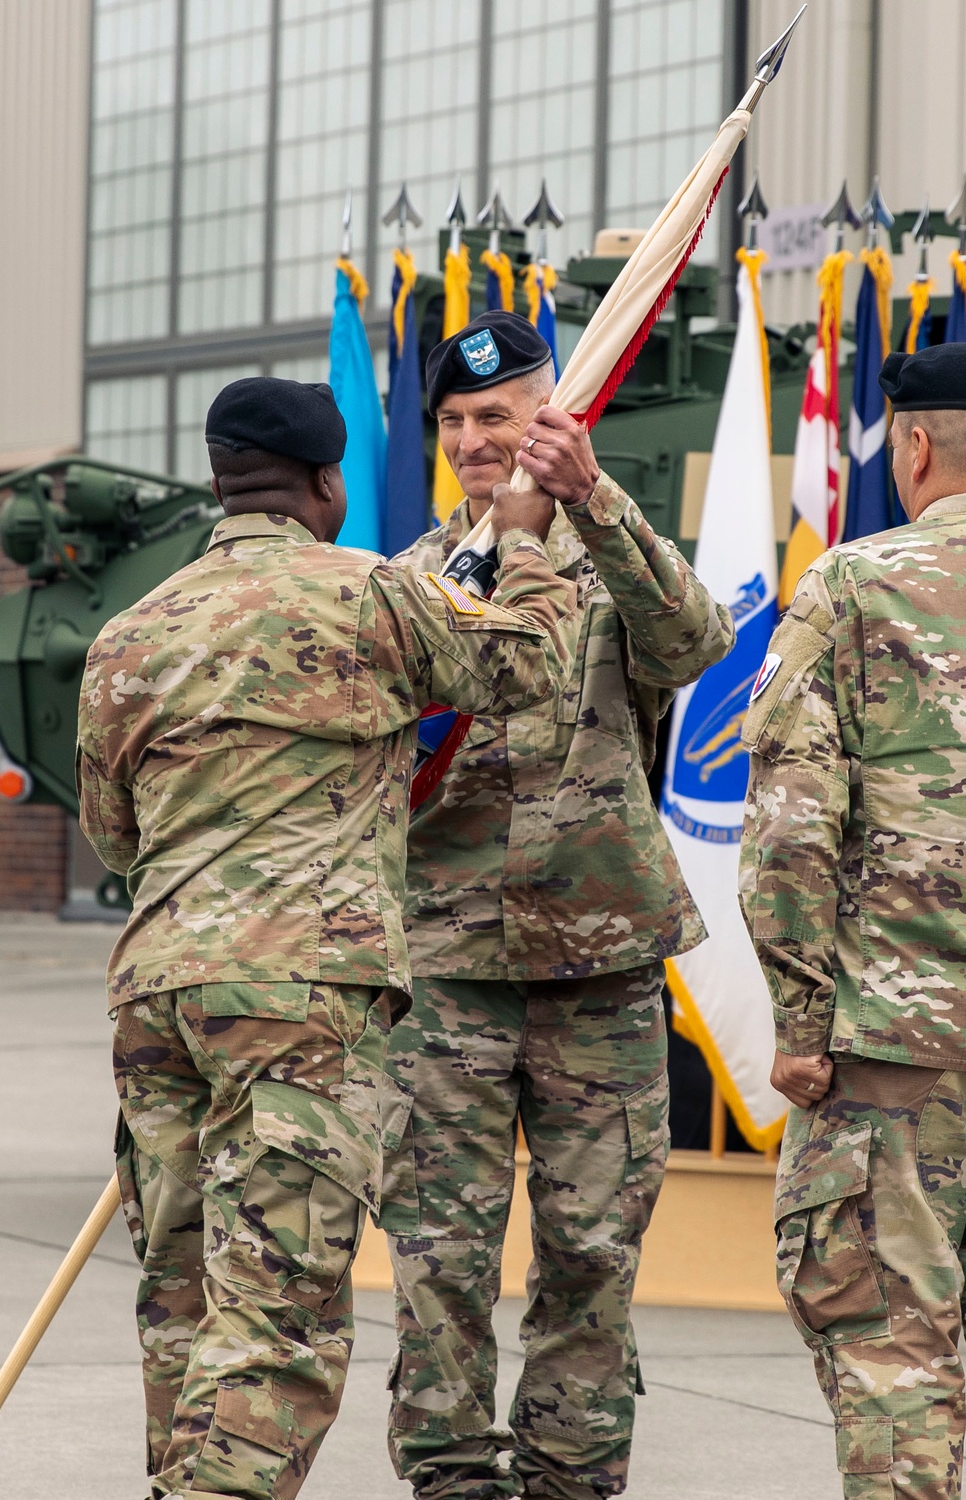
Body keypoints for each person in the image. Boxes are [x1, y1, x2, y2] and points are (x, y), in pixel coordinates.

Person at [76, 375, 579, 1500]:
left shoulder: (127, 633)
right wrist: (532, 540)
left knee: (186, 1293)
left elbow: (112, 841)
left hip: (158, 994)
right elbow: (533, 668)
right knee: (281, 1305)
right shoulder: (371, 596)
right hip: (297, 995)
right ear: (325, 482)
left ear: (220, 478)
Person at [378, 311, 735, 1500]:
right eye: (457, 423)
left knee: (593, 1248)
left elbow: (694, 646)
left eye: (501, 415)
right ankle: (449, 1479)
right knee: (440, 1254)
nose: (478, 440)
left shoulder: (612, 557)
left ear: (554, 414)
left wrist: (596, 507)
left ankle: (574, 1477)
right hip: (447, 970)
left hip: (599, 966)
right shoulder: (410, 586)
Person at [739, 342, 966, 1498]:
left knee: (893, 1353)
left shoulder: (854, 585)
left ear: (914, 447)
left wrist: (798, 1018)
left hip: (895, 1053)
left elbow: (788, 820)